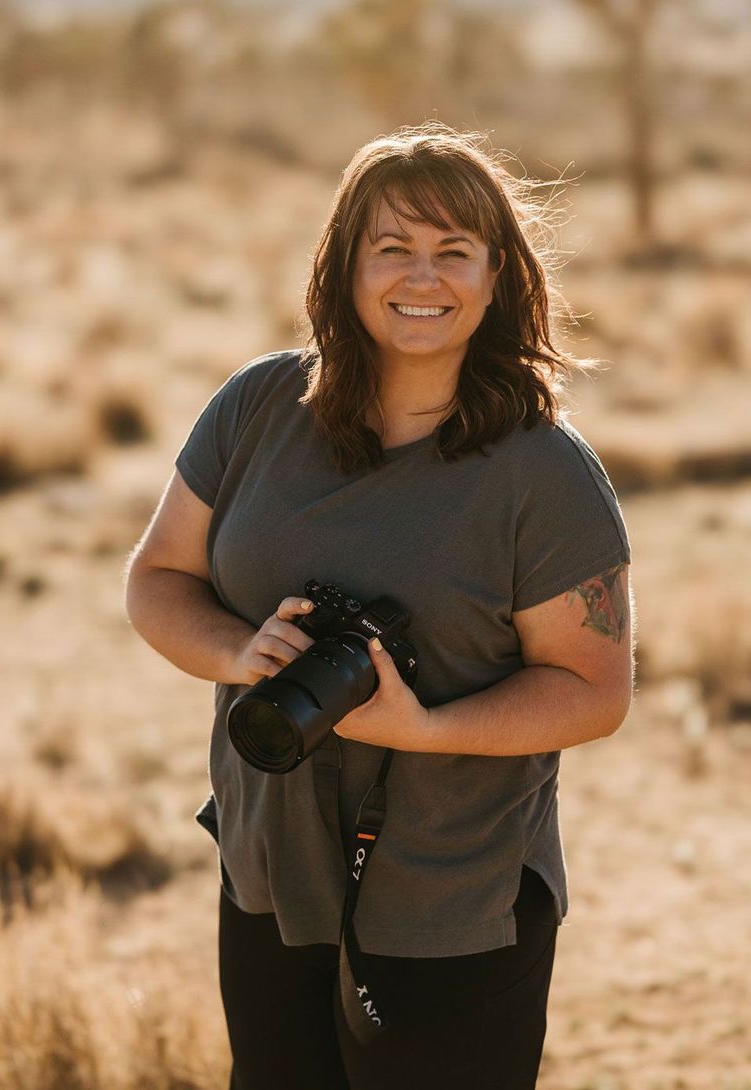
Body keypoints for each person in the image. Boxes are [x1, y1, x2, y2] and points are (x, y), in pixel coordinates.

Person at [124, 123, 633, 1090]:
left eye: (453, 252)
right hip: (270, 872)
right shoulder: (258, 406)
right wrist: (241, 656)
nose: (421, 277)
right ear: (344, 268)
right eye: (391, 248)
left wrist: (424, 727)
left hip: (454, 897)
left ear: (497, 278)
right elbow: (156, 581)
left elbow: (593, 690)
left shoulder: (541, 472)